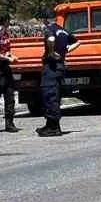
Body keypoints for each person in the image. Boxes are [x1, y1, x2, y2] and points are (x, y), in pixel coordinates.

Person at [37, 8, 79, 137]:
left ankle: (53, 127)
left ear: (44, 19)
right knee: (55, 95)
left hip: (52, 67)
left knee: (50, 95)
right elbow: (78, 42)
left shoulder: (50, 30)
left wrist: (51, 52)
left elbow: (50, 39)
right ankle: (51, 124)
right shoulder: (63, 30)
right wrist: (65, 51)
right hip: (60, 66)